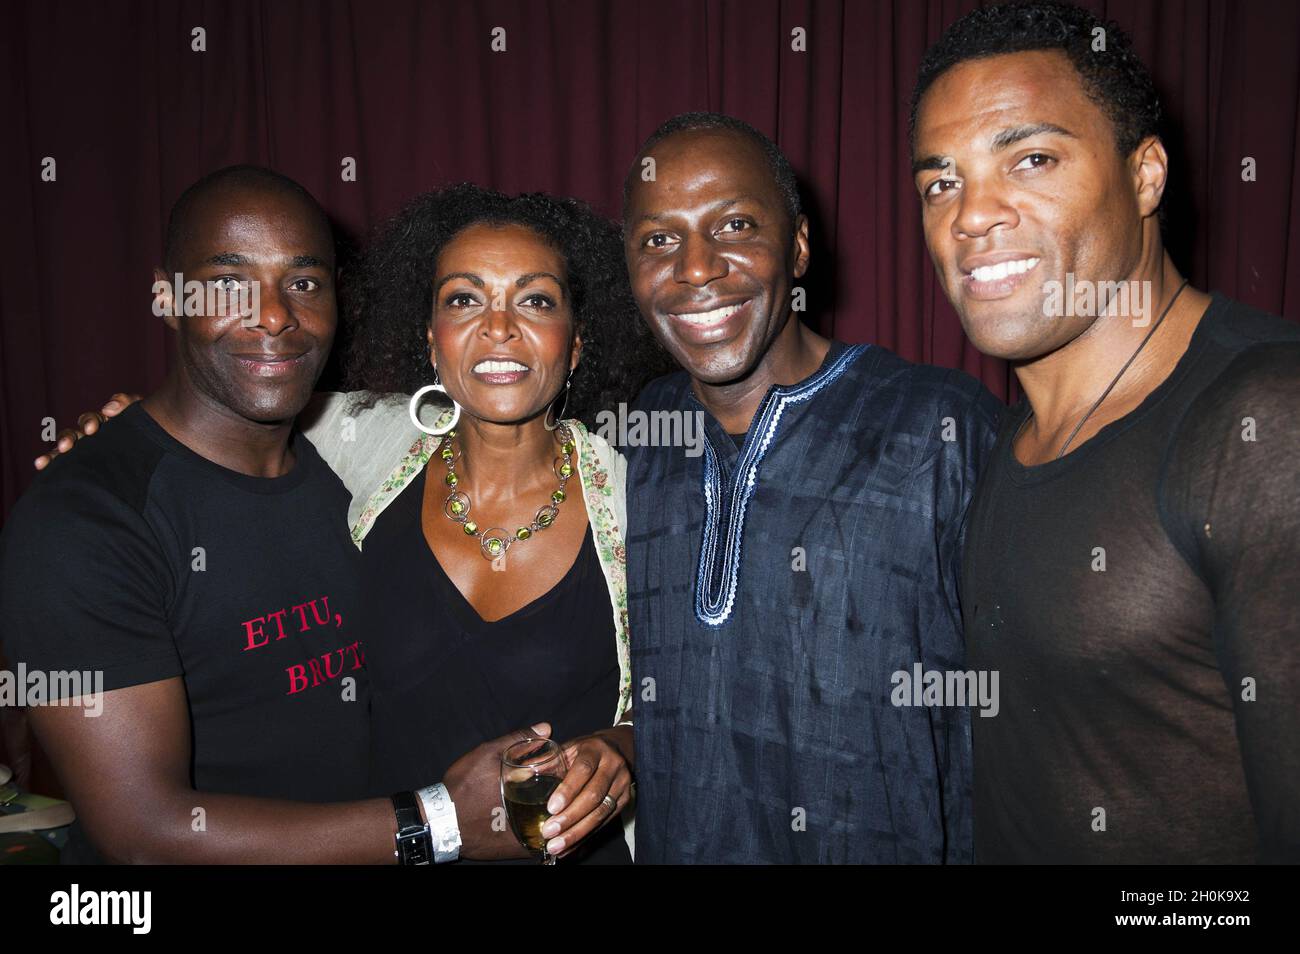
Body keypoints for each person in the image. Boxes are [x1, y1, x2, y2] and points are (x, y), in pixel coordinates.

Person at [34, 183, 663, 863]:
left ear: (574, 344)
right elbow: (215, 420)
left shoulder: (642, 494)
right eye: (463, 298)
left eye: (535, 299)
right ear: (432, 338)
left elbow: (701, 697)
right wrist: (114, 438)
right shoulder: (361, 444)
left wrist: (622, 746)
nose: (500, 326)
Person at [910, 1, 1300, 862]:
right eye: (941, 181)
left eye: (1032, 159)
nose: (971, 215)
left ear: (1147, 174)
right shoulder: (1002, 442)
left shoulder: (1266, 422)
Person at [621, 112, 1004, 863]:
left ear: (797, 248)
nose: (696, 268)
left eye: (734, 225)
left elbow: (1031, 714)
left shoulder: (940, 428)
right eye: (659, 240)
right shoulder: (641, 432)